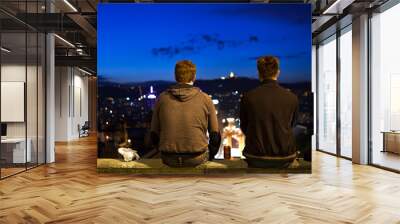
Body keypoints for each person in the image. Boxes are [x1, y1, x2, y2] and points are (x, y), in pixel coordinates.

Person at [150, 60, 221, 167]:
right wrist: (211, 155)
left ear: (175, 76)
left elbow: (154, 134)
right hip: (197, 157)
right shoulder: (205, 99)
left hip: (169, 158)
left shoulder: (162, 98)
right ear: (194, 77)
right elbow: (215, 136)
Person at [240, 56, 299, 168]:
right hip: (285, 157)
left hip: (255, 157)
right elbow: (292, 125)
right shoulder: (292, 98)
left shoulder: (248, 97)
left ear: (259, 73)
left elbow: (244, 127)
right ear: (278, 72)